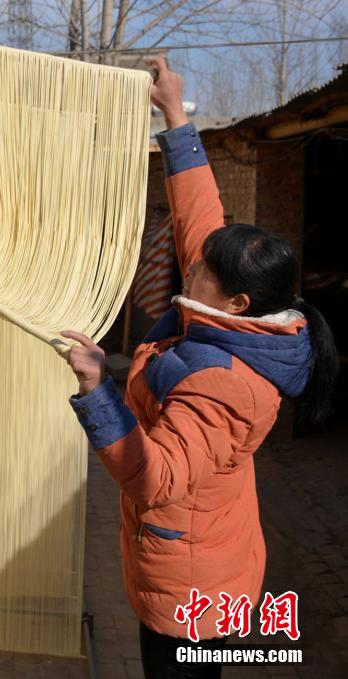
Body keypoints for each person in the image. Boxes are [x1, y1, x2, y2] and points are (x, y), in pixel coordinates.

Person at [62, 59, 338, 679]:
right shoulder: (233, 318)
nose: (193, 266)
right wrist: (176, 115)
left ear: (236, 301)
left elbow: (156, 480)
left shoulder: (225, 384)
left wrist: (97, 389)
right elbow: (200, 222)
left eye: (204, 270)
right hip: (205, 552)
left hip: (189, 586)